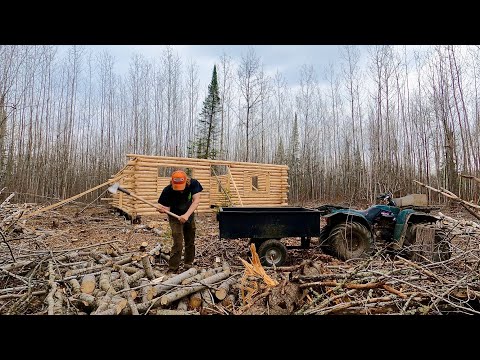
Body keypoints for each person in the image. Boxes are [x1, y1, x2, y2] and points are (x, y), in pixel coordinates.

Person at [157, 170, 203, 273]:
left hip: (189, 214)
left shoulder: (193, 184)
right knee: (178, 242)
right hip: (174, 217)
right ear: (172, 182)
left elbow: (196, 201)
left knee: (190, 240)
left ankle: (188, 263)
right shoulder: (167, 191)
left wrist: (186, 215)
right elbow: (167, 208)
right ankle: (173, 268)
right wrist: (163, 210)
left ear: (186, 181)